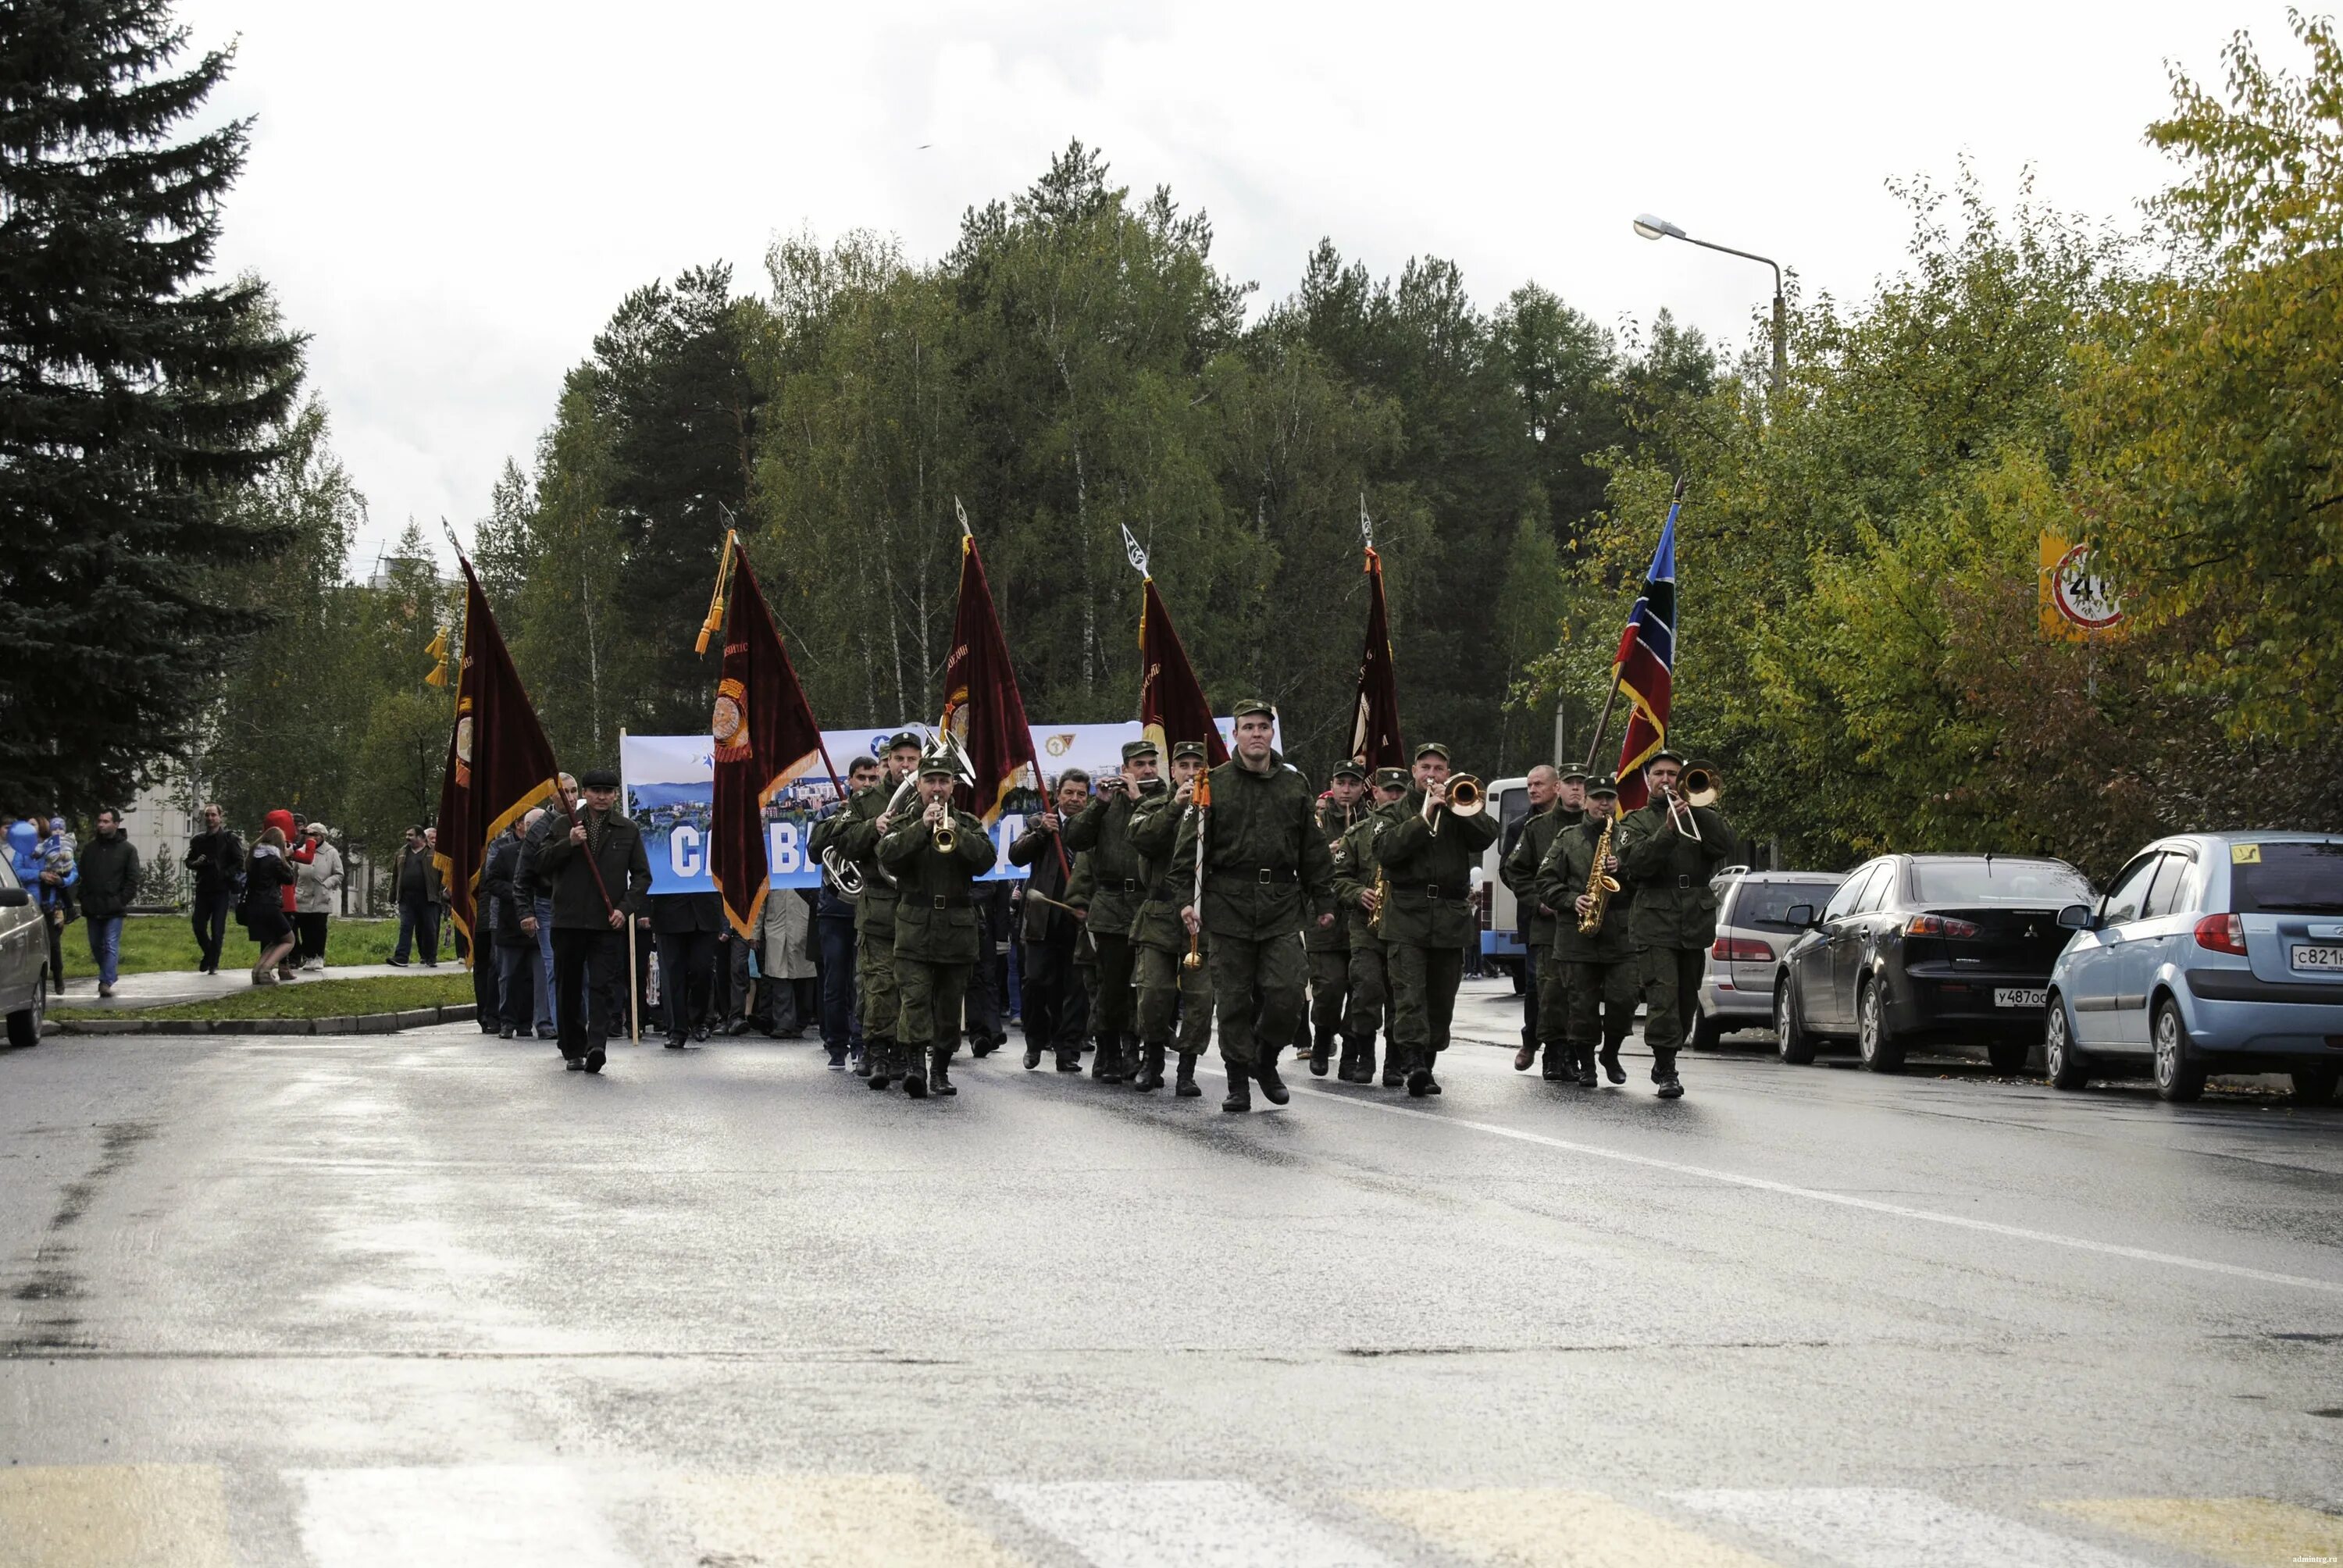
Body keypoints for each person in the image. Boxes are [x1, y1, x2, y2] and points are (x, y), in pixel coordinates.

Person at [1172, 700, 1336, 1114]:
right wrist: (1185, 904)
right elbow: (1188, 851)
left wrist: (1324, 898)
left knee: (1287, 992)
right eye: (1249, 727)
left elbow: (1312, 849)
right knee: (1233, 999)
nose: (1257, 734)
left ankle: (1265, 1056)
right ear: (1236, 735)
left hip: (1281, 904)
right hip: (1228, 906)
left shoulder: (1293, 785)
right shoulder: (1212, 784)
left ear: (1272, 733)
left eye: (1264, 726)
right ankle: (1237, 1080)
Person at [1372, 743, 1500, 1097]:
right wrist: (1423, 817)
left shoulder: (1461, 806)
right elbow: (1385, 851)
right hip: (1407, 913)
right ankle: (1412, 1062)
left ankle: (1427, 1060)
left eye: (1439, 768)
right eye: (1425, 767)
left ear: (1448, 772)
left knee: (1442, 998)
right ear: (1414, 771)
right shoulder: (1394, 812)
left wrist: (1461, 809)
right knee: (1409, 994)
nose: (1432, 774)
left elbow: (1488, 834)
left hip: (1450, 914)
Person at [876, 752, 997, 1099]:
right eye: (931, 781)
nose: (937, 788)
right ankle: (915, 1066)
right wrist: (922, 827)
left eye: (944, 781)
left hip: (957, 929)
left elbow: (986, 861)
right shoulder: (903, 822)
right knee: (913, 999)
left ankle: (940, 1070)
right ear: (919, 785)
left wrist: (956, 832)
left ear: (953, 786)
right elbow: (887, 853)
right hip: (914, 926)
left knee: (948, 1004)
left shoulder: (968, 822)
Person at [1614, 749, 1734, 1099]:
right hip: (1654, 917)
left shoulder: (1699, 816)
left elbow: (1725, 844)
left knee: (1685, 1000)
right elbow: (1635, 864)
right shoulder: (1636, 821)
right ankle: (1666, 1066)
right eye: (1659, 774)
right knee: (1663, 997)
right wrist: (1667, 830)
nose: (1666, 780)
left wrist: (1697, 806)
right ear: (1648, 780)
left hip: (1693, 918)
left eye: (1673, 774)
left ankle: (1668, 1053)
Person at [535, 768, 651, 1074]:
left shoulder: (627, 829)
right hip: (568, 921)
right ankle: (572, 1047)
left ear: (615, 795)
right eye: (595, 791)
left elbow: (642, 876)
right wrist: (568, 844)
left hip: (606, 921)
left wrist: (624, 909)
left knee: (603, 986)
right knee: (569, 987)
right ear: (584, 793)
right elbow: (540, 864)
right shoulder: (564, 825)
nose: (602, 796)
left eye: (608, 791)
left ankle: (596, 1045)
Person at [826, 732, 923, 1087]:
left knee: (909, 984)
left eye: (913, 759)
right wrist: (873, 827)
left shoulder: (926, 799)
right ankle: (876, 1050)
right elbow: (842, 841)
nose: (906, 766)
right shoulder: (867, 800)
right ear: (888, 761)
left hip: (915, 904)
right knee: (877, 983)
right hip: (879, 903)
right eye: (900, 759)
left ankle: (903, 1050)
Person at [1064, 741, 1159, 1084]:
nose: (1147, 770)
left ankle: (1135, 1049)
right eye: (1139, 764)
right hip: (1111, 902)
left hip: (1149, 903)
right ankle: (1109, 1050)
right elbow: (1074, 837)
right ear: (1125, 768)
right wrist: (1099, 804)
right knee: (1112, 985)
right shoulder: (1106, 803)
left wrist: (1139, 800)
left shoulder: (1160, 798)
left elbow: (1165, 834)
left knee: (1146, 985)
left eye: (1151, 763)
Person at [1127, 742, 1214, 1097]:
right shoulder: (1153, 806)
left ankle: (1188, 1068)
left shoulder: (1216, 809)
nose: (1191, 772)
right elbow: (1143, 839)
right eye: (1184, 765)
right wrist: (1177, 806)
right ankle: (1152, 1060)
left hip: (1202, 913)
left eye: (1197, 765)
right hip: (1160, 913)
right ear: (1172, 771)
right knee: (1153, 993)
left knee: (1200, 997)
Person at [1537, 775, 1635, 1089]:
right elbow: (1545, 880)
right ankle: (1587, 1062)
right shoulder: (1567, 838)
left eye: (1609, 798)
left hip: (1619, 933)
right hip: (1577, 933)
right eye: (1597, 798)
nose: (1603, 804)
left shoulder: (1628, 838)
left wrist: (1624, 869)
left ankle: (1611, 1051)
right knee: (1580, 1003)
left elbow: (1647, 879)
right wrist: (1569, 899)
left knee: (1624, 999)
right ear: (1586, 801)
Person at [1501, 764, 1582, 1078]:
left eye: (1538, 784)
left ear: (1555, 787)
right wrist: (1540, 900)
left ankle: (1571, 1051)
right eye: (1529, 785)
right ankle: (1534, 1042)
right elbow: (1510, 871)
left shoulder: (1587, 823)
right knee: (1540, 986)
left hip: (1578, 917)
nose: (1533, 790)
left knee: (1574, 987)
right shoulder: (1522, 826)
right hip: (1541, 919)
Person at [1329, 767, 1409, 1085]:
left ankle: (1394, 1061)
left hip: (1404, 926)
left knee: (1400, 996)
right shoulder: (1358, 834)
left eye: (1399, 791)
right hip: (1366, 927)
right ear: (1374, 793)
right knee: (1367, 988)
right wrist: (1356, 892)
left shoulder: (1415, 831)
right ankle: (1363, 1053)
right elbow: (1337, 878)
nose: (1393, 796)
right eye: (1388, 790)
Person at [1010, 768, 1089, 1072]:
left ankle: (1067, 1050)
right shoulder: (1038, 822)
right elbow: (1016, 856)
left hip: (1078, 920)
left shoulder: (1093, 826)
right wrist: (1041, 832)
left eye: (1081, 794)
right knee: (1037, 984)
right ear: (1058, 794)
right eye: (1069, 792)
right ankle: (1034, 1043)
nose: (1075, 799)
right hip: (1042, 919)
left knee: (1074, 990)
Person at [808, 757, 877, 1067]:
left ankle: (861, 1041)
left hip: (869, 908)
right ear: (850, 781)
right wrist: (839, 817)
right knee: (835, 982)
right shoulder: (828, 811)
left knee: (865, 981)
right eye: (861, 778)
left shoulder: (883, 812)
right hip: (835, 910)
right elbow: (813, 853)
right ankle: (836, 1045)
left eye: (873, 778)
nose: (867, 783)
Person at [1303, 761, 1368, 1075]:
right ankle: (1321, 1041)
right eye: (1341, 783)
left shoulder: (1371, 820)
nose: (1346, 790)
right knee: (1329, 988)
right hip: (1325, 916)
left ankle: (1351, 1053)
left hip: (1362, 918)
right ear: (1332, 784)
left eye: (1353, 784)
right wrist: (1324, 855)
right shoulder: (1315, 821)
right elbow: (1296, 860)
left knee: (1362, 990)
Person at [515, 775, 576, 1042]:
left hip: (581, 903)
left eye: (575, 791)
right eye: (565, 792)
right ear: (552, 795)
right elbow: (523, 875)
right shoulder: (540, 830)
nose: (571, 798)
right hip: (548, 904)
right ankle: (564, 1030)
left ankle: (583, 1025)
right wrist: (525, 912)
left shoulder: (585, 820)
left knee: (583, 969)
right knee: (555, 968)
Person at [483, 813, 544, 1040]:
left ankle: (526, 1022)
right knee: (508, 975)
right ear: (522, 827)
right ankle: (507, 1021)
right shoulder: (506, 852)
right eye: (531, 826)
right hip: (511, 923)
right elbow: (491, 882)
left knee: (532, 976)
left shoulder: (546, 854)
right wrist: (517, 893)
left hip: (539, 923)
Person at [647, 889, 725, 1048]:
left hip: (706, 911)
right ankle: (677, 1029)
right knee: (672, 975)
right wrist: (643, 909)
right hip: (668, 911)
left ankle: (698, 1019)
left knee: (703, 969)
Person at [75, 808, 140, 998]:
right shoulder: (90, 849)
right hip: (93, 905)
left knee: (111, 944)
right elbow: (82, 875)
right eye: (100, 821)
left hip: (114, 907)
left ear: (116, 824)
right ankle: (108, 972)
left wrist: (121, 900)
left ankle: (106, 981)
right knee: (96, 945)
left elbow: (133, 878)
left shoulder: (127, 850)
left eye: (106, 821)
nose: (101, 825)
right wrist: (83, 896)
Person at [183, 804, 241, 976]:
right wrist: (197, 863)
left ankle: (213, 963)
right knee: (198, 926)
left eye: (213, 815)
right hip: (203, 887)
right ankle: (209, 953)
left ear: (220, 817)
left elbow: (239, 862)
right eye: (207, 815)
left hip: (221, 889)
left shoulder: (230, 839)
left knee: (217, 928)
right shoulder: (198, 840)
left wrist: (224, 874)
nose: (210, 818)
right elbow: (189, 861)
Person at [752, 886, 818, 1036]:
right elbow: (760, 901)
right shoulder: (773, 867)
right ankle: (784, 1024)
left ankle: (800, 1022)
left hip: (803, 930)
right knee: (779, 979)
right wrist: (755, 933)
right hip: (777, 929)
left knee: (805, 981)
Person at [240, 825, 298, 985]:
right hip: (269, 905)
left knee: (276, 939)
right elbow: (288, 879)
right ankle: (265, 971)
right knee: (289, 940)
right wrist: (286, 857)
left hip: (253, 905)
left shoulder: (253, 857)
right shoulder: (274, 859)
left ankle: (258, 971)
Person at [389, 825, 442, 968]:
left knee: (429, 928)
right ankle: (401, 957)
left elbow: (443, 874)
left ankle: (430, 957)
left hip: (429, 897)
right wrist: (392, 895)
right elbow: (395, 875)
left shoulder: (434, 853)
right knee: (405, 927)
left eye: (411, 835)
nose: (408, 837)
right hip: (407, 898)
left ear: (421, 838)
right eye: (407, 834)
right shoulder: (401, 853)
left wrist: (445, 893)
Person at [294, 822, 343, 973]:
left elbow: (339, 874)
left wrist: (327, 884)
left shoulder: (331, 852)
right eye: (308, 834)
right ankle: (308, 957)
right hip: (303, 895)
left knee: (319, 928)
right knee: (304, 927)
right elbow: (294, 872)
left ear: (322, 836)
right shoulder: (301, 851)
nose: (311, 837)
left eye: (314, 834)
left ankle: (318, 957)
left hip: (321, 895)